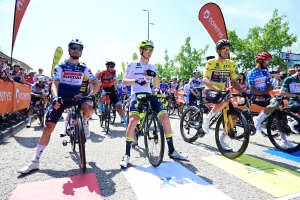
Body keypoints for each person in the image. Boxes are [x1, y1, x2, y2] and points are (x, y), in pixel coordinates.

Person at [17, 39, 100, 174]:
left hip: (76, 97)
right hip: (61, 98)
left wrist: (91, 94)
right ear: (69, 50)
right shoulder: (61, 66)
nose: (76, 50)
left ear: (81, 52)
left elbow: (97, 82)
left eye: (78, 48)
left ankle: (84, 122)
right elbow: (54, 84)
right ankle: (35, 161)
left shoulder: (83, 68)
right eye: (73, 47)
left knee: (89, 109)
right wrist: (55, 97)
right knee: (47, 128)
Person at [120, 39, 187, 168]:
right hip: (137, 94)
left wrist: (154, 75)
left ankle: (172, 150)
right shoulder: (132, 65)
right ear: (141, 50)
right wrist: (136, 81)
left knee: (165, 118)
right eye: (147, 49)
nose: (150, 52)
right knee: (133, 120)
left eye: (151, 50)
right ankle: (127, 155)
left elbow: (156, 85)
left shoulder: (152, 67)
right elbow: (123, 81)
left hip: (149, 95)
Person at [202, 39, 247, 150]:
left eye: (228, 49)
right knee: (224, 101)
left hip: (222, 92)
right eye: (224, 49)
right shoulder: (211, 62)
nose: (227, 51)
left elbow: (234, 82)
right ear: (218, 51)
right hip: (210, 90)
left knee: (235, 116)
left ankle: (222, 139)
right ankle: (206, 120)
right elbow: (205, 79)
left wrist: (243, 92)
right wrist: (217, 89)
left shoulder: (230, 64)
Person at [247, 52, 283, 137]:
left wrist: (264, 93)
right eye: (267, 62)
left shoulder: (265, 71)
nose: (268, 64)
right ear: (260, 61)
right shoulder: (252, 72)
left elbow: (269, 85)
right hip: (255, 96)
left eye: (269, 62)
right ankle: (257, 120)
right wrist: (261, 93)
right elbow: (252, 88)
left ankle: (283, 138)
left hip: (264, 94)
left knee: (279, 105)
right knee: (274, 103)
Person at [279, 65, 300, 148]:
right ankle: (292, 122)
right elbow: (282, 92)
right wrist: (296, 96)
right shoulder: (289, 79)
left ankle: (294, 122)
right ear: (298, 72)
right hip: (292, 100)